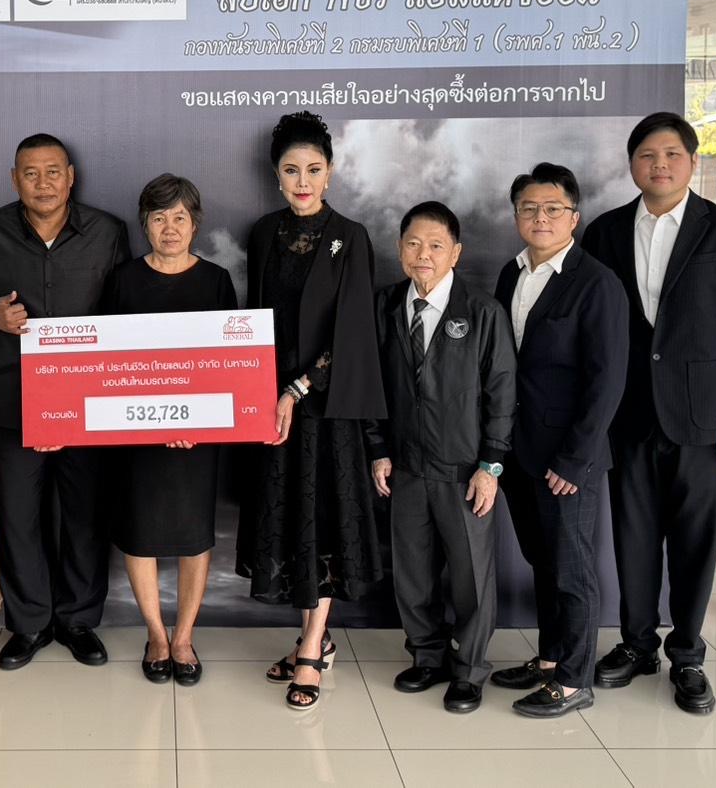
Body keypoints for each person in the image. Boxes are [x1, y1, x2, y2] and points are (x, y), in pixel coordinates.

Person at [582, 112, 716, 715]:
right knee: (633, 537)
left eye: (671, 154)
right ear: (631, 164)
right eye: (647, 155)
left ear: (691, 161)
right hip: (629, 414)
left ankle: (687, 654)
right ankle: (637, 645)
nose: (659, 164)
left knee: (694, 542)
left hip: (703, 417)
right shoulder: (606, 232)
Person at [0, 133, 130, 670]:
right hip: (12, 402)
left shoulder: (108, 232)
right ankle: (30, 623)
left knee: (85, 516)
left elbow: (127, 310)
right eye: (30, 173)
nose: (43, 183)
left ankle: (78, 620)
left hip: (89, 404)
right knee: (17, 517)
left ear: (71, 176)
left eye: (53, 171)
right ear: (15, 179)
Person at [237, 111, 386, 711]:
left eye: (314, 169)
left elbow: (353, 332)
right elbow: (251, 324)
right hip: (270, 408)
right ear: (276, 176)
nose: (303, 181)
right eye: (291, 170)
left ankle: (311, 649)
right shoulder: (262, 233)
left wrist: (298, 389)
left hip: (325, 409)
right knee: (293, 524)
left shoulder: (351, 236)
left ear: (330, 173)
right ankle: (313, 639)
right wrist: (260, 392)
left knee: (321, 524)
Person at [488, 164, 629, 718]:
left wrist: (575, 459)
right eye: (529, 208)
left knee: (572, 570)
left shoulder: (597, 283)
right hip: (520, 451)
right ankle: (550, 659)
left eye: (552, 209)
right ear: (516, 216)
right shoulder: (512, 273)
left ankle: (574, 680)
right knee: (543, 562)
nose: (540, 217)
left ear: (574, 216)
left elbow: (607, 381)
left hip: (570, 458)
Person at [372, 201, 516, 715]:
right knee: (412, 572)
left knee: (471, 576)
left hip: (464, 471)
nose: (423, 254)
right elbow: (372, 387)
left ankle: (470, 670)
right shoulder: (386, 307)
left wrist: (491, 465)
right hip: (406, 467)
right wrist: (378, 450)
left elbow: (502, 393)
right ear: (399, 249)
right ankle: (427, 657)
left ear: (455, 253)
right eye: (413, 243)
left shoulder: (482, 312)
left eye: (435, 245)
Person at [101, 174, 237, 687]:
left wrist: (194, 421)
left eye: (180, 217)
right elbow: (107, 361)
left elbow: (230, 362)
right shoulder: (123, 280)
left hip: (195, 439)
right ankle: (156, 636)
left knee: (194, 535)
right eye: (159, 218)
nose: (170, 227)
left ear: (195, 223)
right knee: (140, 534)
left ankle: (183, 638)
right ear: (145, 225)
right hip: (136, 436)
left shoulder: (216, 281)